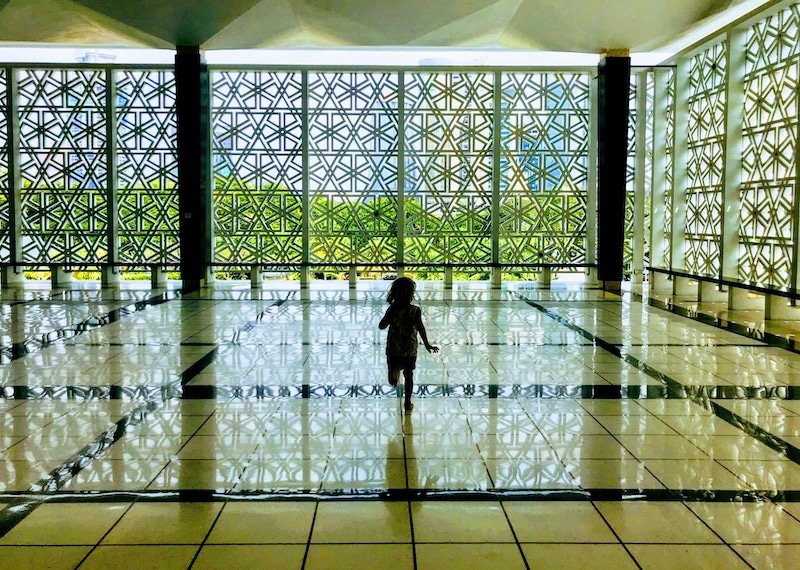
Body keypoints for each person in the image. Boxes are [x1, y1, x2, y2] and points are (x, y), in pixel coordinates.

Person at [378, 277, 439, 412]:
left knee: (393, 371)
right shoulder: (415, 310)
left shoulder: (392, 309)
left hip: (394, 347)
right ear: (411, 294)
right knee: (409, 374)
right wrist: (428, 345)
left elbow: (381, 326)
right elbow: (421, 328)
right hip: (410, 348)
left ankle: (393, 372)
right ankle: (407, 402)